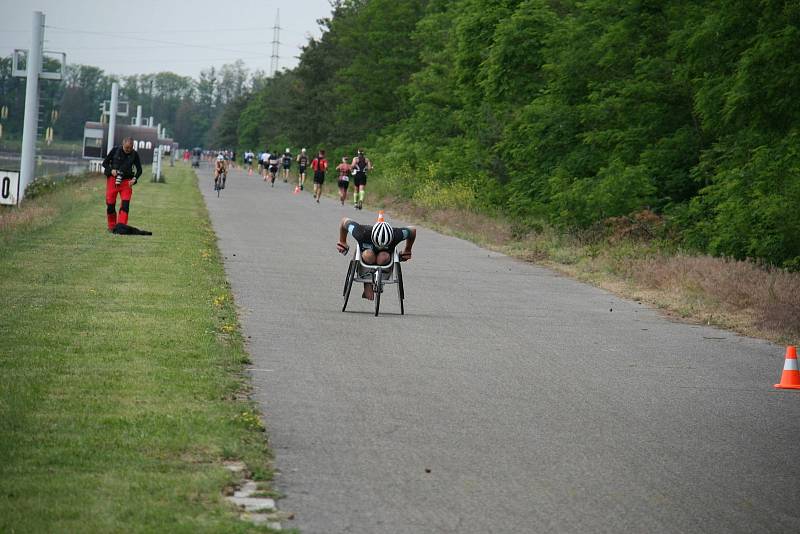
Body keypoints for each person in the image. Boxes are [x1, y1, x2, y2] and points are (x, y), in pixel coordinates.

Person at [336, 213, 416, 300]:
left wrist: (407, 249)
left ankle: (380, 280)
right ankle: (367, 282)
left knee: (383, 257)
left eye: (383, 245)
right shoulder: (361, 232)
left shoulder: (397, 234)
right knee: (368, 255)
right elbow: (344, 221)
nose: (380, 247)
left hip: (385, 255)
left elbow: (412, 230)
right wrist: (342, 241)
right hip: (367, 253)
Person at [102, 137, 143, 232]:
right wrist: (111, 170)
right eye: (126, 148)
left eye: (130, 148)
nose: (128, 150)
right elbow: (105, 163)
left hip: (127, 182)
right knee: (110, 205)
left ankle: (121, 227)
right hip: (113, 180)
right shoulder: (115, 150)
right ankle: (111, 226)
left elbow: (139, 170)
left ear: (133, 146)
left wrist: (134, 179)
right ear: (123, 144)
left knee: (125, 205)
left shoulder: (134, 154)